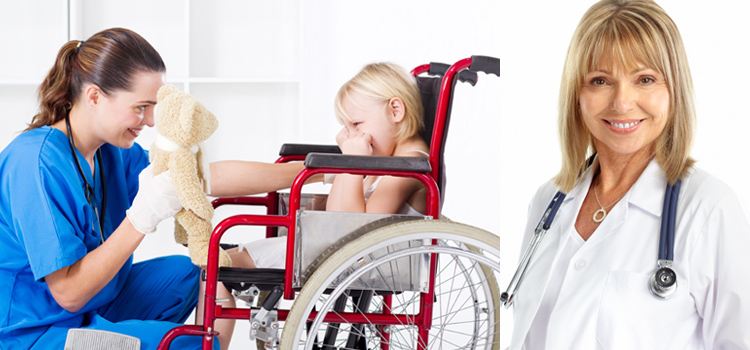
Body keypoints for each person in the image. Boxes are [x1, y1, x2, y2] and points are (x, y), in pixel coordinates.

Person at [0, 28, 261, 350]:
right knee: (185, 344)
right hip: (35, 329)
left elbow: (199, 178)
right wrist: (140, 220)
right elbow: (68, 293)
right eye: (141, 107)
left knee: (192, 275)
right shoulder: (36, 164)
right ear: (94, 97)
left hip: (93, 303)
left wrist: (309, 171)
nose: (151, 121)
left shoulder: (111, 150)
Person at [509, 0, 750, 349]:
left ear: (673, 90)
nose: (622, 102)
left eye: (645, 79)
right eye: (600, 80)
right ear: (577, 94)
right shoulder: (548, 201)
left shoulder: (709, 208)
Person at [228, 62, 429, 269]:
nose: (347, 135)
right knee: (224, 257)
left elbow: (351, 230)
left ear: (395, 111)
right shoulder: (390, 157)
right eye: (346, 126)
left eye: (356, 124)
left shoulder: (407, 168)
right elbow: (337, 216)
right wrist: (350, 162)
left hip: (350, 260)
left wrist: (352, 162)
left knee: (219, 264)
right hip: (334, 253)